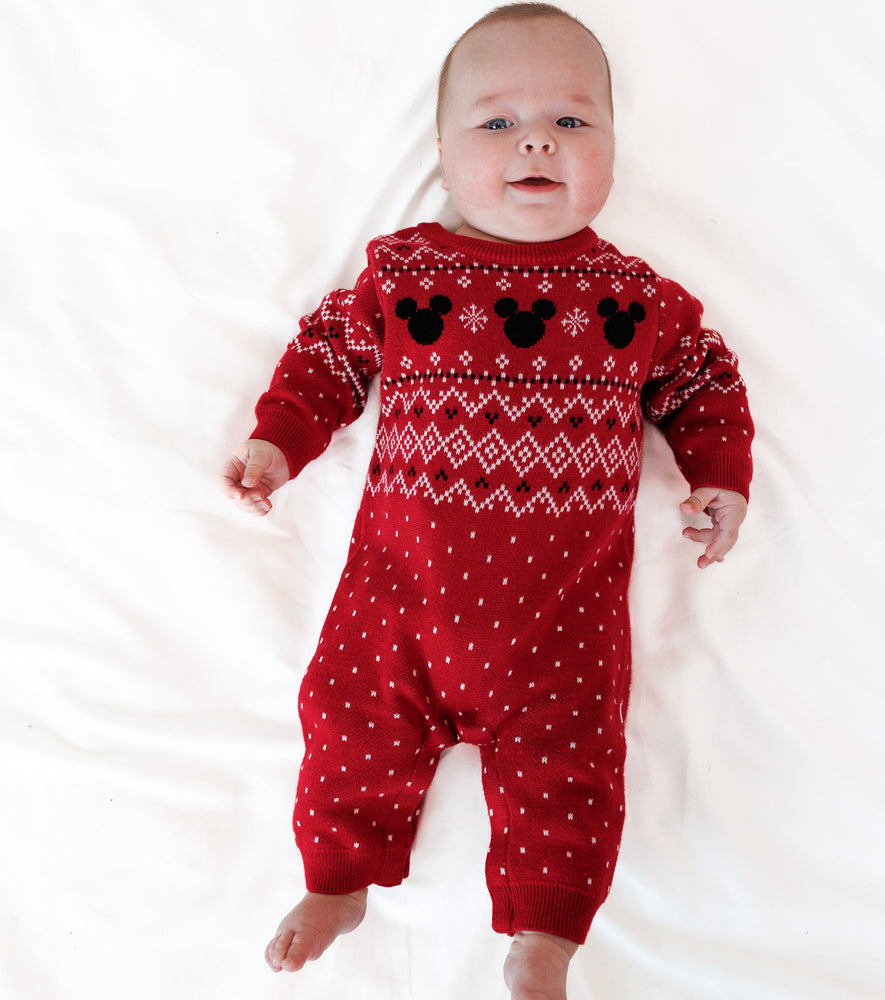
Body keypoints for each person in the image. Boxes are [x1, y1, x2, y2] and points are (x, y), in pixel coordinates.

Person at [222, 4, 754, 997]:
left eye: (571, 120)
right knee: (348, 726)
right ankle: (338, 878)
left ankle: (544, 936)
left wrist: (718, 475)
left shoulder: (636, 301)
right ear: (440, 148)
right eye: (496, 122)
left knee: (573, 776)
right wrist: (276, 441)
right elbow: (328, 356)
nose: (537, 139)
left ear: (610, 147)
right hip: (401, 602)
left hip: (563, 625)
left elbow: (702, 381)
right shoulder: (405, 272)